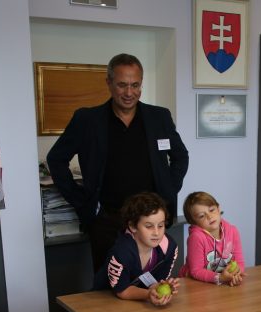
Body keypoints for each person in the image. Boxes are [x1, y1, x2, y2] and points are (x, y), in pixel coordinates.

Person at [47, 53, 189, 272]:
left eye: (135, 85)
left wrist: (168, 191)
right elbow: (56, 159)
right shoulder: (87, 120)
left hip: (151, 221)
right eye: (122, 85)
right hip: (107, 221)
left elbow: (180, 156)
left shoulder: (158, 117)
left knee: (153, 282)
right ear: (109, 83)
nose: (129, 93)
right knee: (109, 283)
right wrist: (81, 200)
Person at [93, 192, 179, 306]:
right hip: (103, 301)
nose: (157, 232)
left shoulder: (169, 248)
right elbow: (122, 291)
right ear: (133, 226)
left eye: (160, 225)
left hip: (136, 305)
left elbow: (155, 283)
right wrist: (148, 294)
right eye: (149, 226)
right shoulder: (122, 252)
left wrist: (163, 286)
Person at [179, 191, 245, 286]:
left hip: (219, 283)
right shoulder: (196, 238)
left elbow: (240, 262)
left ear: (218, 209)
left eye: (211, 210)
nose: (209, 216)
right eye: (202, 216)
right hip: (194, 283)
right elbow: (196, 271)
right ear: (193, 222)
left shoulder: (233, 231)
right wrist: (220, 278)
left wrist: (235, 274)